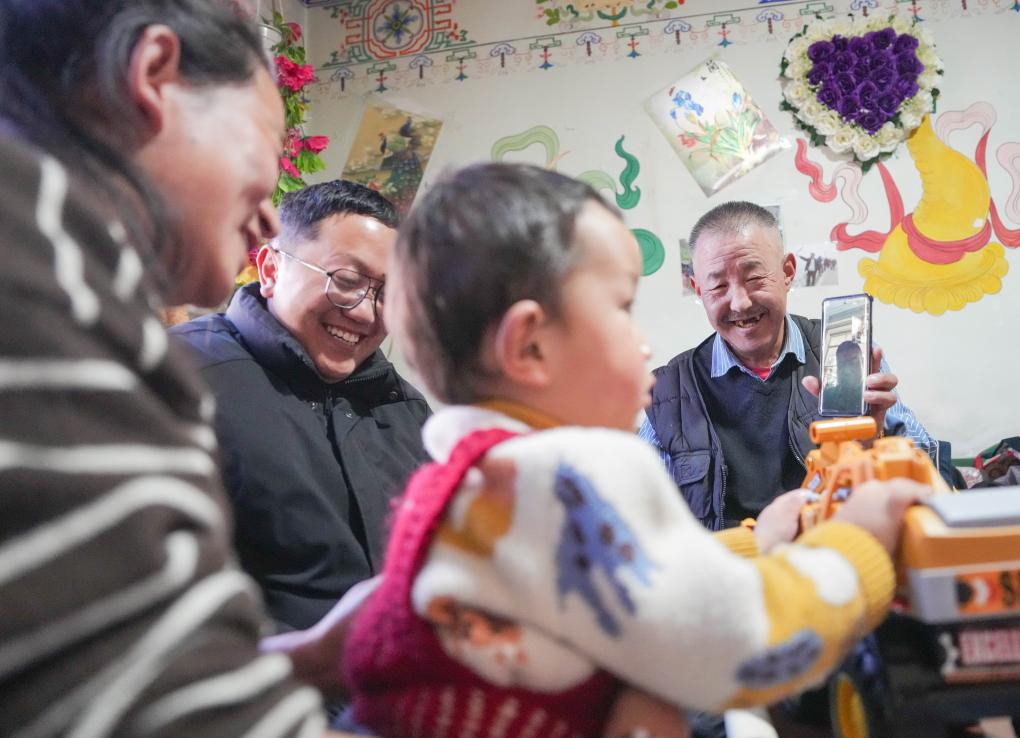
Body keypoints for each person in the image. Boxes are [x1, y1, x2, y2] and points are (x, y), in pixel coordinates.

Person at [341, 162, 930, 738]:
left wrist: (757, 540)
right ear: (529, 347)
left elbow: (629, 566)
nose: (644, 342)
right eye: (621, 309)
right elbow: (740, 645)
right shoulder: (582, 474)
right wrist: (856, 547)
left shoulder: (461, 481)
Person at [0, 1, 343, 734]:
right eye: (266, 150)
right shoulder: (33, 246)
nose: (268, 217)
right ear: (154, 75)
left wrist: (304, 662)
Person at [171, 180, 431, 632]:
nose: (365, 312)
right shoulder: (185, 374)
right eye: (346, 281)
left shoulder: (405, 410)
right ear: (270, 268)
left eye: (387, 295)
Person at [640, 201, 937, 532]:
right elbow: (642, 519)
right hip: (728, 560)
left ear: (788, 272)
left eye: (754, 278)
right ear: (699, 290)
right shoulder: (668, 391)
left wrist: (873, 444)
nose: (739, 302)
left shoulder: (844, 355)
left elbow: (929, 472)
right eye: (719, 286)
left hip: (837, 550)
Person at [823, 339, 866, 415]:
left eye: (853, 363)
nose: (847, 371)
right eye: (841, 364)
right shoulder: (827, 395)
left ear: (862, 362)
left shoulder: (871, 395)